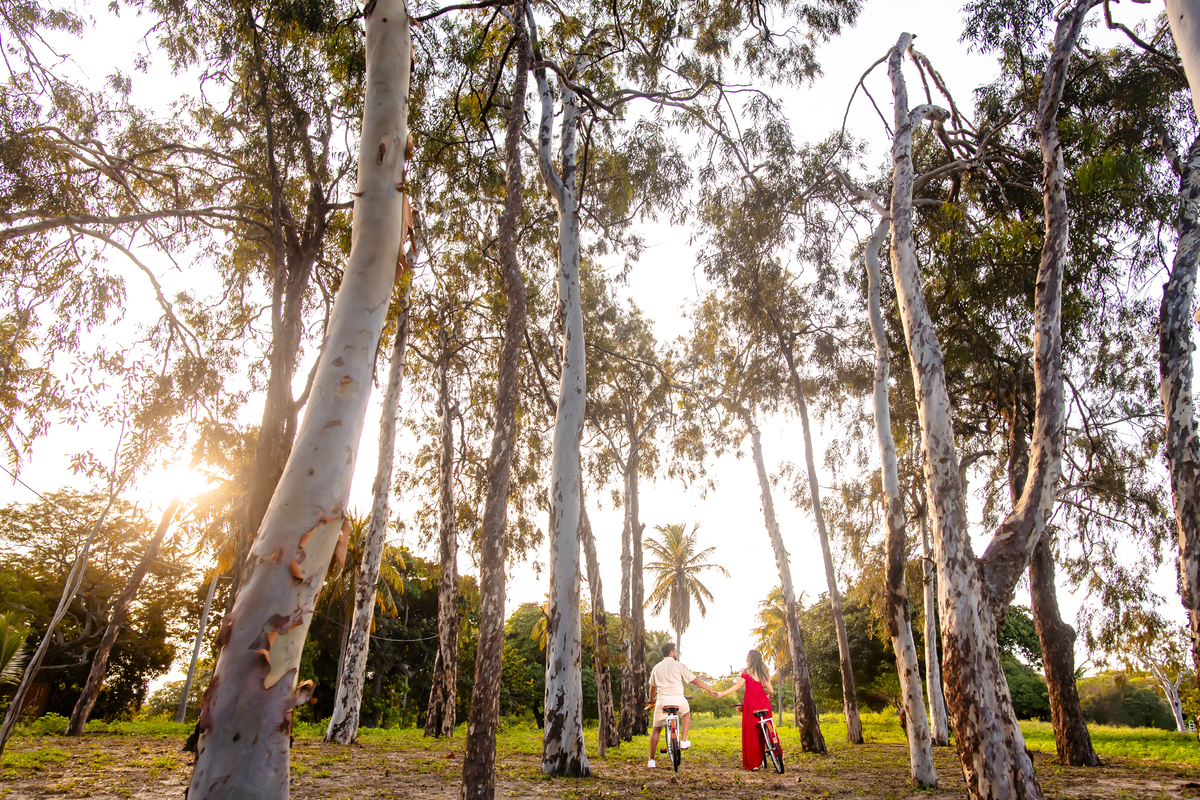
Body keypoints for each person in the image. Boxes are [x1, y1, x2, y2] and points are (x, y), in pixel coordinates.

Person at [646, 641, 717, 768]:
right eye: (675, 651)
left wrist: (651, 699)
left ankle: (651, 760)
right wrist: (709, 689)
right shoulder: (679, 666)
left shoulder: (656, 667)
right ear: (671, 652)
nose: (676, 653)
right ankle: (683, 740)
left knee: (656, 729)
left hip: (662, 701)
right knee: (686, 713)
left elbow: (652, 687)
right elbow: (695, 680)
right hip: (678, 700)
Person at [715, 649, 774, 770]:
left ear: (751, 659)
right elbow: (771, 690)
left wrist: (722, 693)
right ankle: (778, 753)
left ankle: (754, 764)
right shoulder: (763, 671)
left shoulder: (747, 671)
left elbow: (737, 686)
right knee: (769, 727)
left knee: (752, 732)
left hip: (751, 703)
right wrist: (769, 696)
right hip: (764, 701)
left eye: (747, 657)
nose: (746, 659)